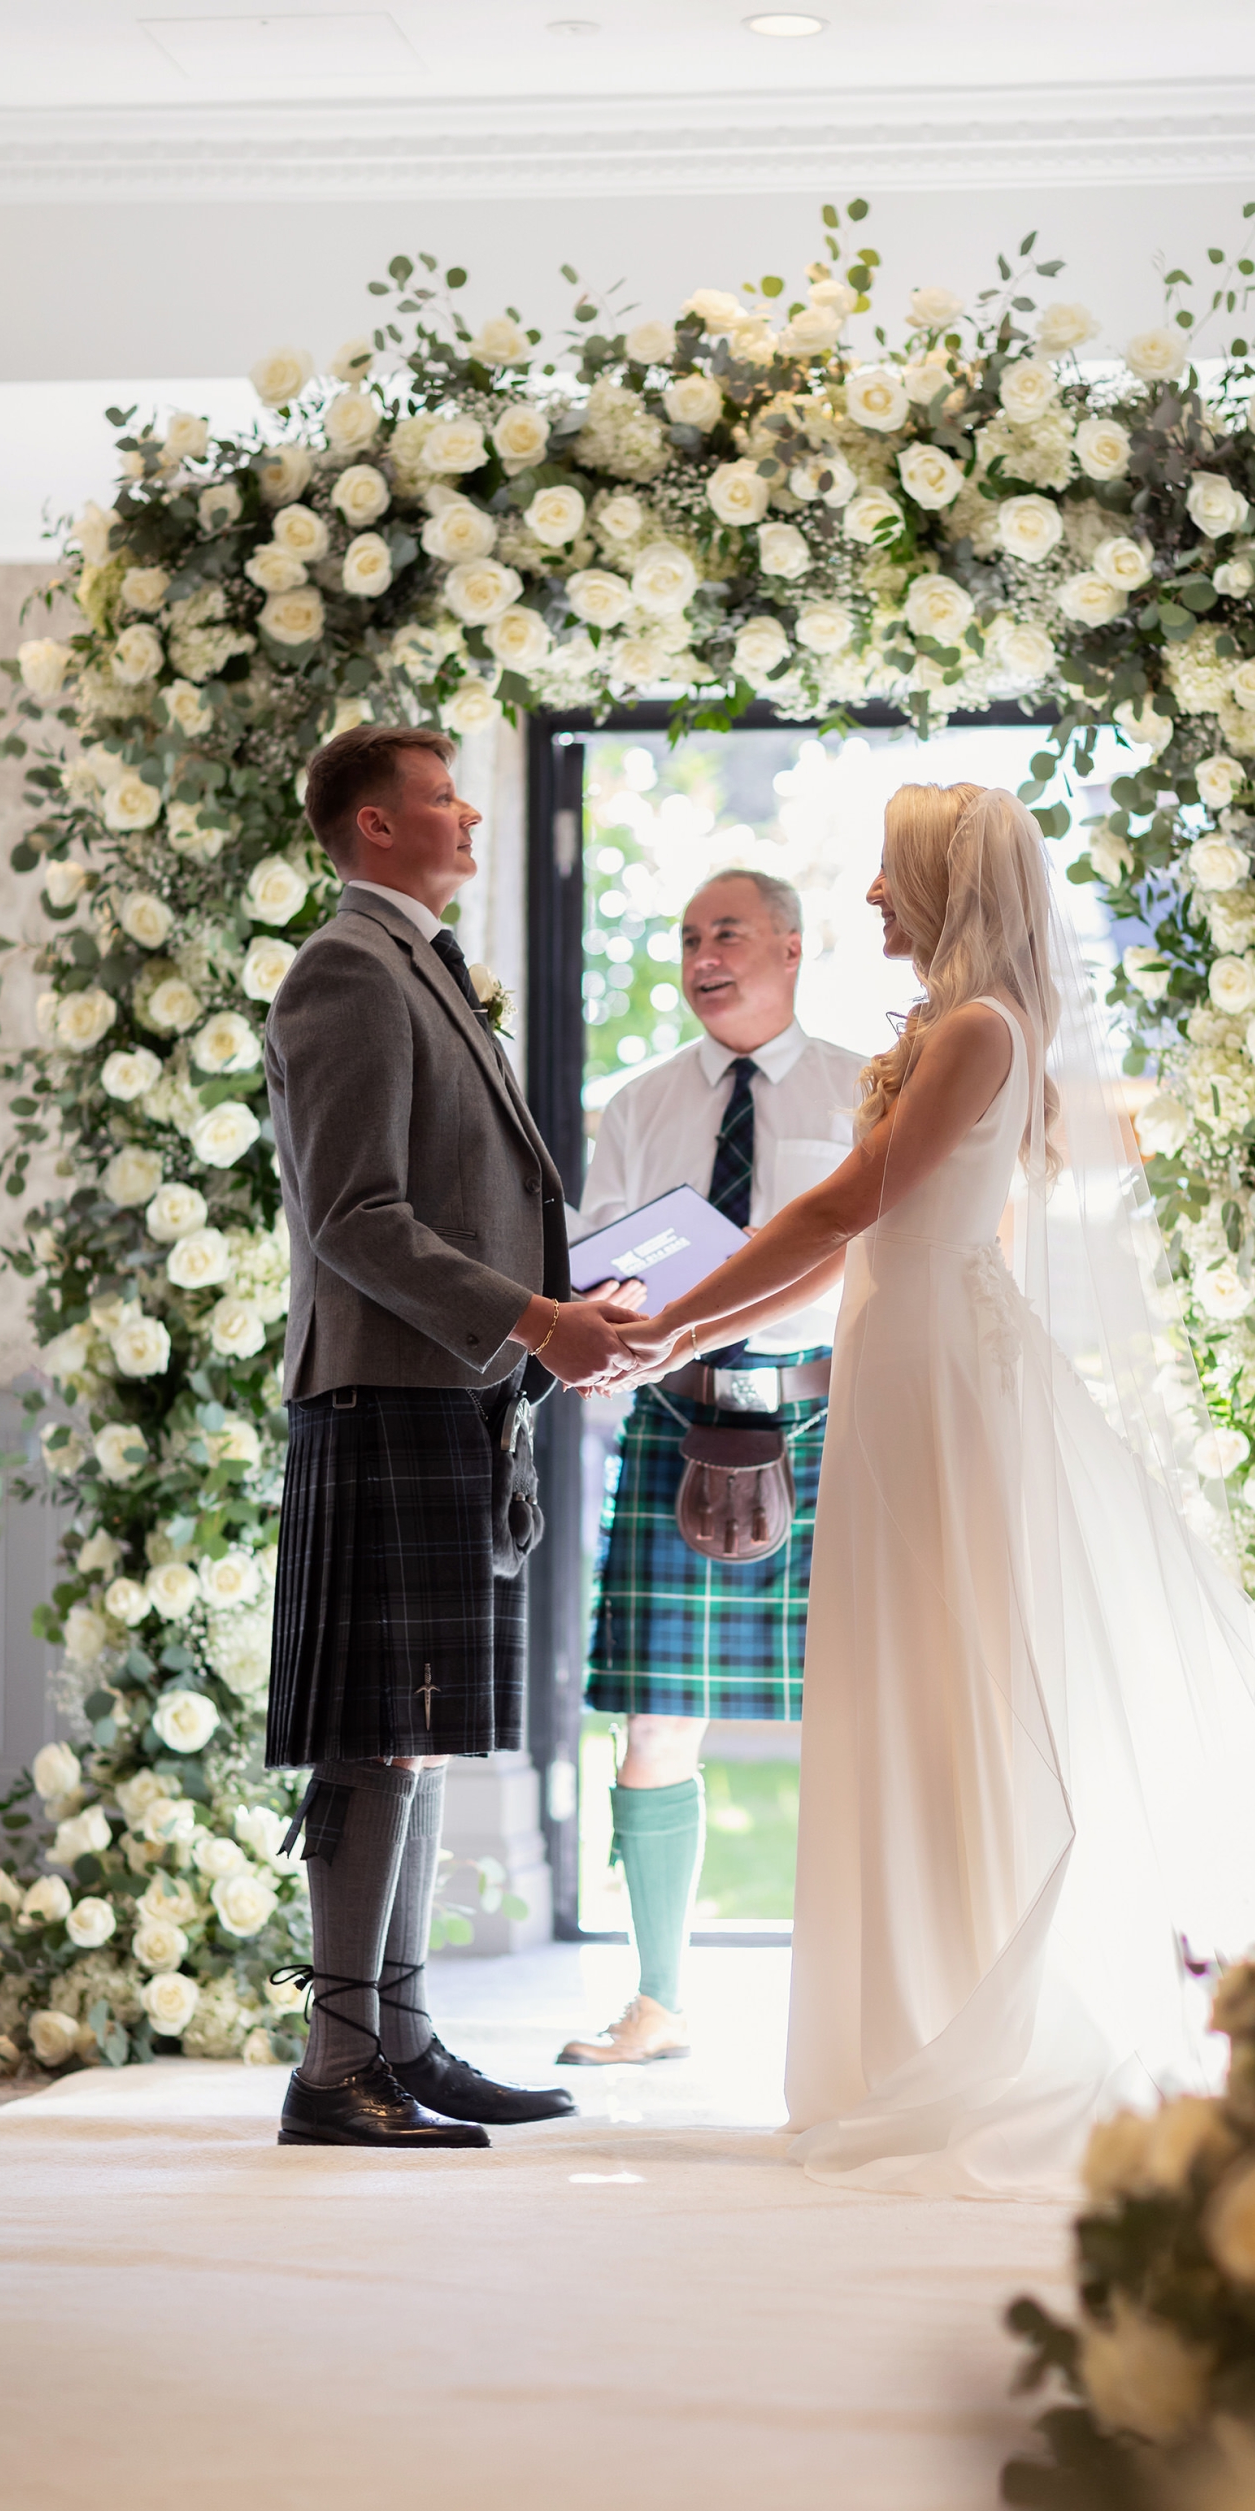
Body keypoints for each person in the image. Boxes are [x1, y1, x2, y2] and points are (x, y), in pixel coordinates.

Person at [618, 783, 1255, 2200]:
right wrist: (691, 1334)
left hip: (938, 1375)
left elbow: (843, 1212)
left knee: (949, 1679)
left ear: (944, 888)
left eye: (889, 881)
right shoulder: (959, 1024)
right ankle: (912, 2018)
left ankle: (974, 2016)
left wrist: (662, 1326)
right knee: (907, 1681)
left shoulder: (974, 1029)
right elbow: (847, 1246)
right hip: (897, 1359)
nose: (873, 904)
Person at [264, 723, 640, 2148]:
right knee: (378, 1737)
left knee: (410, 1731)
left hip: (450, 1387)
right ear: (371, 826)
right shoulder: (346, 969)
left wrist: (549, 1309)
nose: (471, 808)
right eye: (438, 795)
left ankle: (399, 2043)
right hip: (387, 1388)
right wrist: (535, 1321)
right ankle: (334, 2067)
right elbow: (353, 1218)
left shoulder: (413, 962)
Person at [558, 871, 864, 2069]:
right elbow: (602, 1261)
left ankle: (849, 1999)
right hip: (678, 1417)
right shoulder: (637, 1101)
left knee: (858, 1711)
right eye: (687, 938)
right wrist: (625, 1293)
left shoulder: (860, 1088)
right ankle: (659, 2001)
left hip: (827, 1420)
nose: (703, 955)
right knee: (654, 1715)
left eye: (726, 933)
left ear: (794, 945)